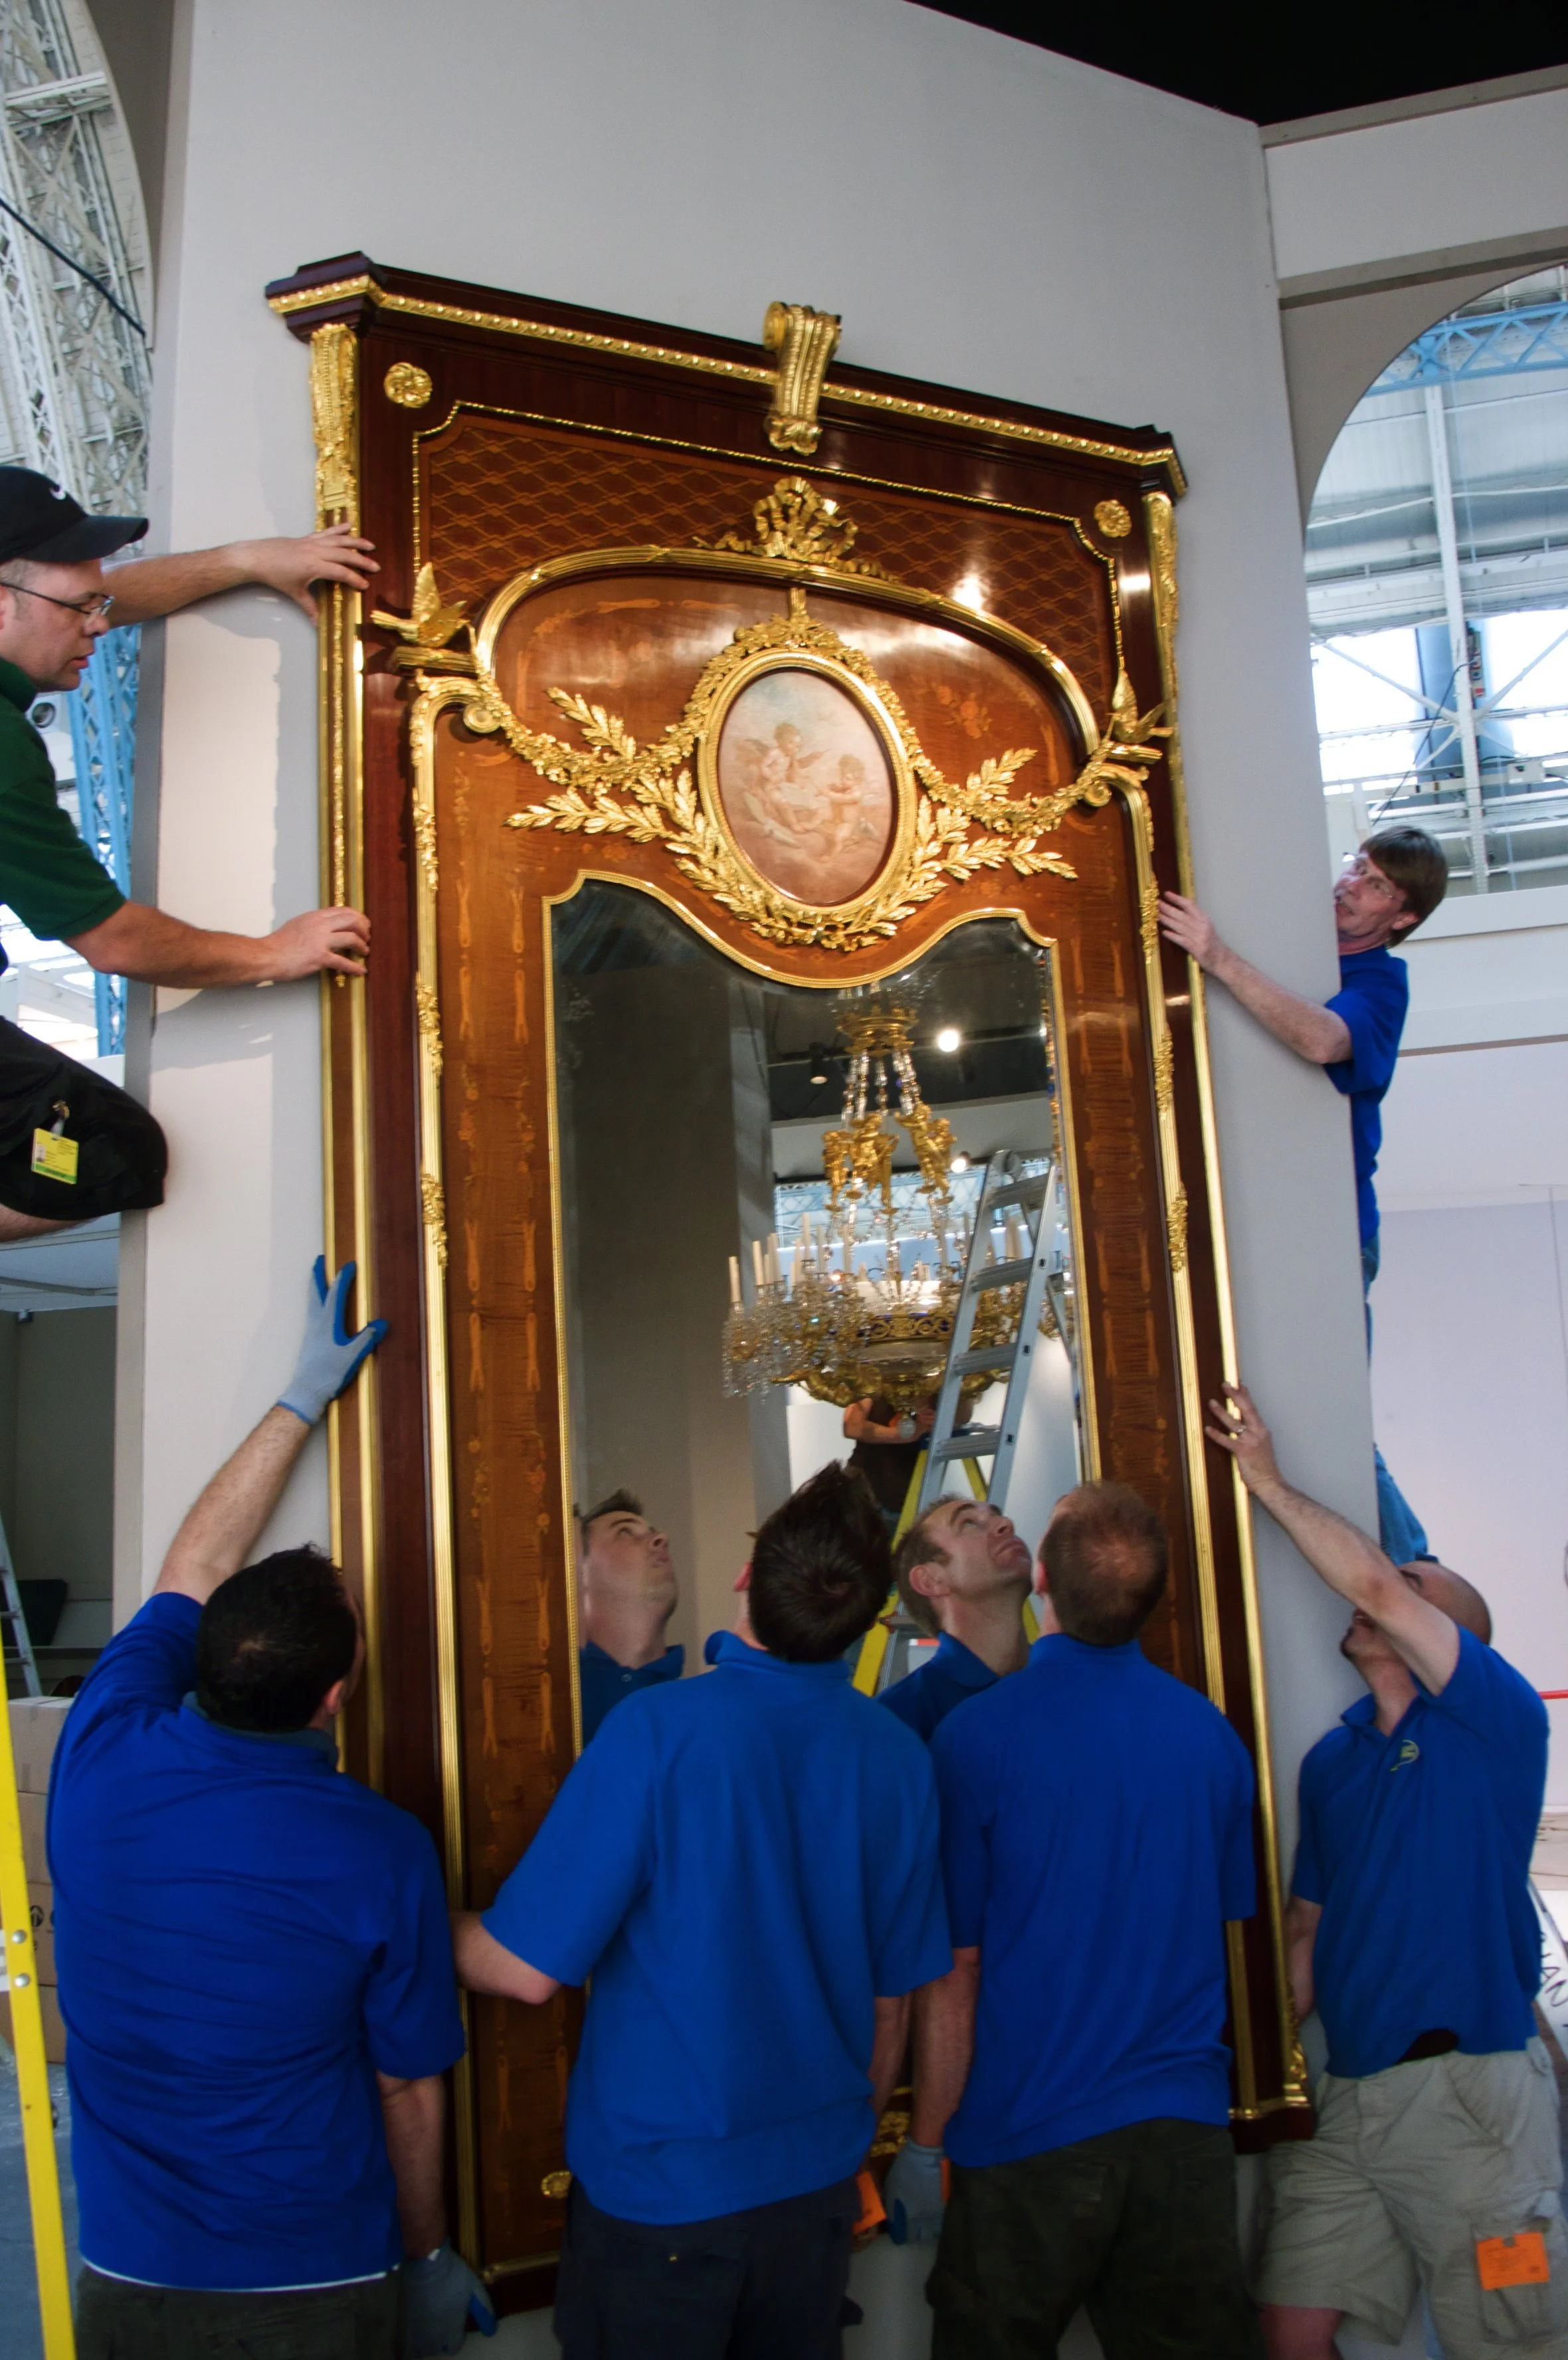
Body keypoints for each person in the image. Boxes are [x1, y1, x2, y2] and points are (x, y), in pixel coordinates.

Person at [47, 1260, 492, 2360]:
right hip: (316, 2281)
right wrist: (430, 2260)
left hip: (126, 2275)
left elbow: (197, 1561)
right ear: (337, 1696)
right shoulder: (379, 1847)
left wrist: (300, 1394)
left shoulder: (100, 1747)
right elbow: (406, 2089)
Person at [452, 1462, 953, 2360]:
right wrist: (842, 2154)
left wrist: (417, 1921)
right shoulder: (898, 1755)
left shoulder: (658, 1733)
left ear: (742, 1581)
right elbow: (893, 2006)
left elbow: (525, 1970)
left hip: (666, 2198)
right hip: (815, 2196)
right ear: (864, 1618)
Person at [1207, 1381, 1558, 2360]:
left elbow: (1372, 1588)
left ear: (1453, 1638)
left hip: (1476, 2104)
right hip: (1350, 2098)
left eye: (1418, 1585)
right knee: (1289, 2328)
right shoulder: (1335, 1760)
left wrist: (1266, 1482)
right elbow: (1307, 1933)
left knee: (1513, 2338)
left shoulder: (1498, 1720)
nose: (1391, 1589)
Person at [884, 1480, 1262, 2360]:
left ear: (1045, 1578)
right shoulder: (1209, 1735)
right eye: (970, 1522)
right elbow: (1223, 1925)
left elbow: (956, 1966)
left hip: (1031, 2130)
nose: (1001, 1524)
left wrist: (925, 2140)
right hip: (1184, 2130)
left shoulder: (979, 1739)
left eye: (1007, 1521)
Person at [0, 464, 377, 1240]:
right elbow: (113, 940)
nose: (99, 625)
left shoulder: (37, 609)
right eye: (81, 609)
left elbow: (92, 598)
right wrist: (274, 952)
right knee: (112, 1151)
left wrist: (246, 562)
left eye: (95, 602)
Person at [1158, 824, 1448, 1561]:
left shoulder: (1381, 983)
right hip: (1272, 1224)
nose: (1350, 883)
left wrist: (1215, 956)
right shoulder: (1300, 940)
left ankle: (1415, 1574)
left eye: (1377, 884)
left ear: (1402, 917)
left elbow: (1323, 1041)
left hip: (1335, 1233)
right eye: (1357, 865)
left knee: (1335, 1426)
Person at [879, 1494, 1033, 1739]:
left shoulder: (1071, 1679)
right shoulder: (897, 1721)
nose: (1005, 1523)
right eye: (969, 1523)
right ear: (930, 1581)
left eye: (996, 1514)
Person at [575, 1488, 684, 1741]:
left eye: (653, 1531)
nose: (662, 1538)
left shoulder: (699, 1709)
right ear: (580, 1574)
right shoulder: (553, 1702)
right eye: (625, 1532)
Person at [844, 1392, 933, 1531]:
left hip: (911, 1487)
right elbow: (852, 1426)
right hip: (870, 1487)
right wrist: (903, 1435)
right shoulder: (875, 1379)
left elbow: (963, 1416)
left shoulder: (931, 1379)